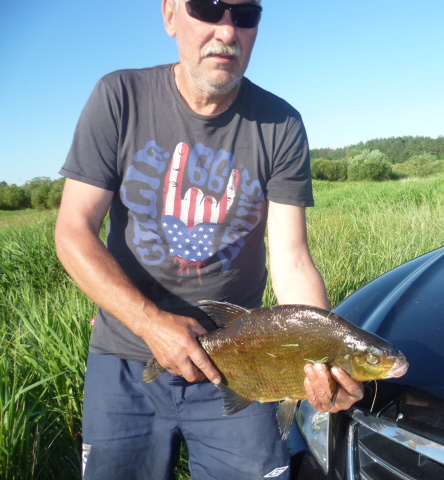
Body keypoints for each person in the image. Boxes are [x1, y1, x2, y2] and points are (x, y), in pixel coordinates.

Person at [55, 0, 363, 478]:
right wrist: (151, 324)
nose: (227, 30)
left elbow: (292, 258)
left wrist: (320, 361)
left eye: (245, 15)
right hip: (127, 359)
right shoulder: (120, 97)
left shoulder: (280, 124)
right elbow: (73, 231)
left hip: (245, 360)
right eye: (208, 7)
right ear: (170, 15)